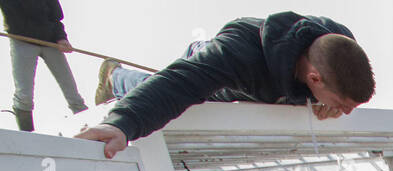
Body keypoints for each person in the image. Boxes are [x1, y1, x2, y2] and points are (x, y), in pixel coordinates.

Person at [76, 12, 373, 159]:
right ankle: (114, 76)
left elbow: (345, 72)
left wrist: (329, 100)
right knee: (167, 86)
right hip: (215, 69)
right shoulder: (237, 53)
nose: (345, 113)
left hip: (277, 82)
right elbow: (178, 84)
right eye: (343, 105)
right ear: (314, 78)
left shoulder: (339, 42)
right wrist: (123, 124)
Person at [2, 0, 88, 130]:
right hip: (22, 41)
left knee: (73, 95)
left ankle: (90, 129)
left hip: (51, 42)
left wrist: (61, 38)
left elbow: (56, 18)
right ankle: (27, 135)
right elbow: (13, 19)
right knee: (24, 96)